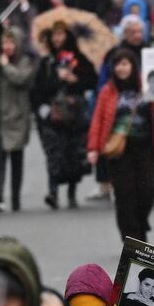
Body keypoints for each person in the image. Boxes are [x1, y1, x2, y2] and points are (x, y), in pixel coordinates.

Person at [87, 49, 154, 241]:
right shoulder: (108, 91)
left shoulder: (147, 87)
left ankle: (140, 222)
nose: (121, 68)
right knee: (124, 195)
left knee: (148, 191)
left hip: (145, 148)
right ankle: (132, 237)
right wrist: (93, 148)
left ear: (133, 66)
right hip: (119, 150)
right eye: (118, 64)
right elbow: (98, 119)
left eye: (125, 64)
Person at [0, 28, 37, 213]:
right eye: (4, 43)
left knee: (16, 159)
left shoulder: (26, 62)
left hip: (17, 117)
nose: (7, 47)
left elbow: (21, 79)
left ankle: (16, 198)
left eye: (10, 43)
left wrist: (6, 66)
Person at [33, 36, 94, 210]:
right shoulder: (47, 62)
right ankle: (53, 192)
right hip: (53, 117)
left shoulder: (79, 59)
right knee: (54, 154)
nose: (58, 39)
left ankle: (72, 193)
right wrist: (57, 79)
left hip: (75, 116)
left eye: (61, 34)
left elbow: (90, 82)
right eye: (55, 35)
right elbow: (39, 88)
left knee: (74, 154)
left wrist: (75, 81)